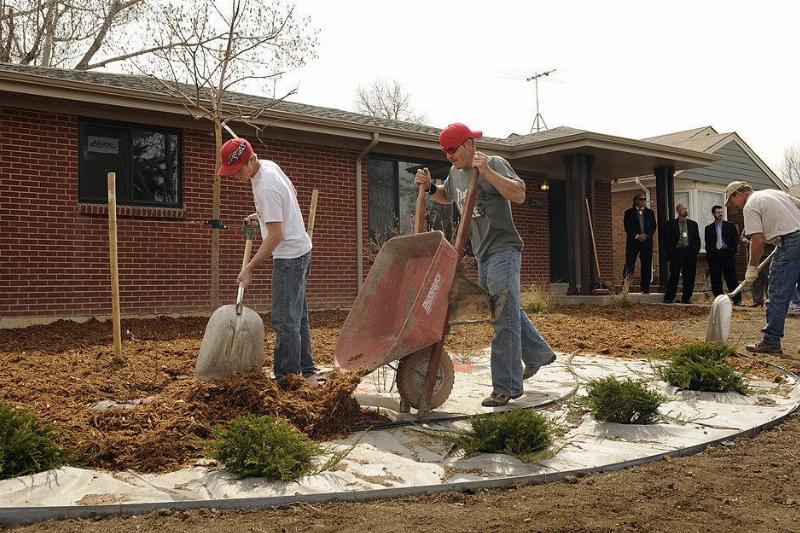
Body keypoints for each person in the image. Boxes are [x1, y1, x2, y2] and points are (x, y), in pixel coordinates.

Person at [414, 123, 556, 407]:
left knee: (501, 316)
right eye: (445, 151)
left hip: (504, 249)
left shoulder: (492, 163)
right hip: (483, 253)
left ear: (468, 145)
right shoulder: (456, 173)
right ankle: (539, 353)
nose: (449, 156)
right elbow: (448, 195)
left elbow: (519, 194)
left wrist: (488, 172)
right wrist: (431, 188)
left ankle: (506, 387)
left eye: (452, 149)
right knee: (507, 308)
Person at [218, 137, 319, 382]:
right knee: (298, 315)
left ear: (251, 159)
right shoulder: (268, 167)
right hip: (302, 249)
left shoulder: (265, 187)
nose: (235, 176)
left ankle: (287, 378)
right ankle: (305, 370)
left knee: (285, 319)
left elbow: (276, 234)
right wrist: (262, 215)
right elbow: (291, 195)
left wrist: (249, 268)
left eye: (237, 170)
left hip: (290, 257)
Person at [726, 180, 800, 354]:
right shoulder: (775, 193)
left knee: (777, 294)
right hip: (792, 238)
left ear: (739, 194)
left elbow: (757, 240)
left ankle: (771, 341)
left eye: (732, 202)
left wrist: (752, 267)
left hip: (789, 243)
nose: (733, 207)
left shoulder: (750, 205)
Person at [662, 203, 701, 304]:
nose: (685, 210)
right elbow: (666, 240)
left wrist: (695, 250)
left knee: (689, 276)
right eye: (683, 209)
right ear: (678, 211)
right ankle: (669, 297)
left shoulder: (693, 224)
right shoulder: (670, 224)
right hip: (677, 252)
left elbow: (697, 239)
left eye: (686, 209)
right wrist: (671, 252)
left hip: (689, 252)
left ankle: (686, 298)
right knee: (674, 275)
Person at [704, 205, 741, 305]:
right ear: (713, 214)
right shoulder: (708, 228)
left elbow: (735, 241)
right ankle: (719, 299)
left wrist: (731, 252)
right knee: (715, 278)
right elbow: (708, 243)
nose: (720, 214)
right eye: (718, 212)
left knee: (731, 278)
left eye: (721, 212)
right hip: (715, 256)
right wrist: (710, 255)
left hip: (727, 255)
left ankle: (737, 299)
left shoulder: (730, 225)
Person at [622, 192, 657, 293]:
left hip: (647, 242)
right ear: (636, 200)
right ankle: (625, 287)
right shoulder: (629, 212)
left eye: (644, 199)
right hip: (633, 242)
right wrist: (637, 236)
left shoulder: (650, 213)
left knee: (646, 265)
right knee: (630, 264)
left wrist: (646, 235)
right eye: (641, 199)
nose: (643, 201)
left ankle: (645, 288)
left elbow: (653, 226)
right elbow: (627, 227)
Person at [741, 228, 774, 307]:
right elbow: (743, 237)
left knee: (768, 278)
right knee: (755, 278)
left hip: (768, 255)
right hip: (755, 256)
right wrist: (750, 243)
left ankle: (771, 300)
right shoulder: (752, 223)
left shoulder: (769, 222)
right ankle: (757, 300)